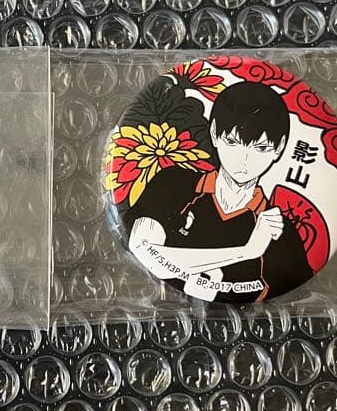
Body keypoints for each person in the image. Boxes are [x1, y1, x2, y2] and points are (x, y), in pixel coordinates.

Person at [127, 80, 312, 302]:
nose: (244, 159)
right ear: (214, 133)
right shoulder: (172, 182)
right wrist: (247, 251)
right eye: (232, 142)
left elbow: (292, 296)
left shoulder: (280, 232)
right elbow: (142, 249)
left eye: (261, 147)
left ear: (279, 148)